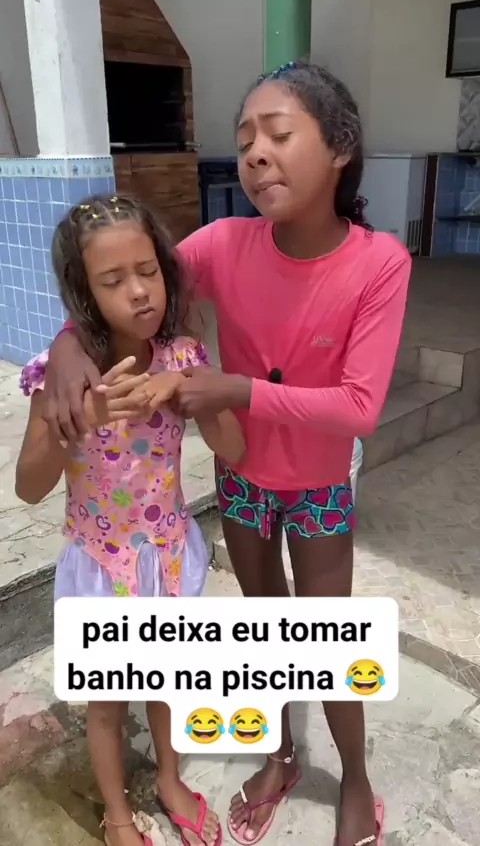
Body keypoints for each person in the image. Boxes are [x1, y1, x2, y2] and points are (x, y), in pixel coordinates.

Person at [39, 62, 411, 846]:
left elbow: (360, 407)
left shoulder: (379, 262)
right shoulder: (221, 244)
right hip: (241, 475)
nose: (255, 154)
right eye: (244, 142)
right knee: (266, 626)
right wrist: (67, 346)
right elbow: (127, 286)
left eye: (277, 134)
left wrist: (232, 388)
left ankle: (355, 777)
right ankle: (280, 755)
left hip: (317, 482)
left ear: (339, 146)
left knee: (326, 637)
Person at [15, 194, 246, 846]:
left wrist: (195, 395)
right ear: (85, 293)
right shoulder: (59, 380)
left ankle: (170, 779)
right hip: (101, 567)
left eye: (147, 271)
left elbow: (233, 449)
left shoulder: (183, 358)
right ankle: (117, 814)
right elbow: (28, 488)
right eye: (113, 280)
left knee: (165, 683)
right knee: (108, 702)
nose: (139, 291)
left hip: (167, 559)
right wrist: (77, 421)